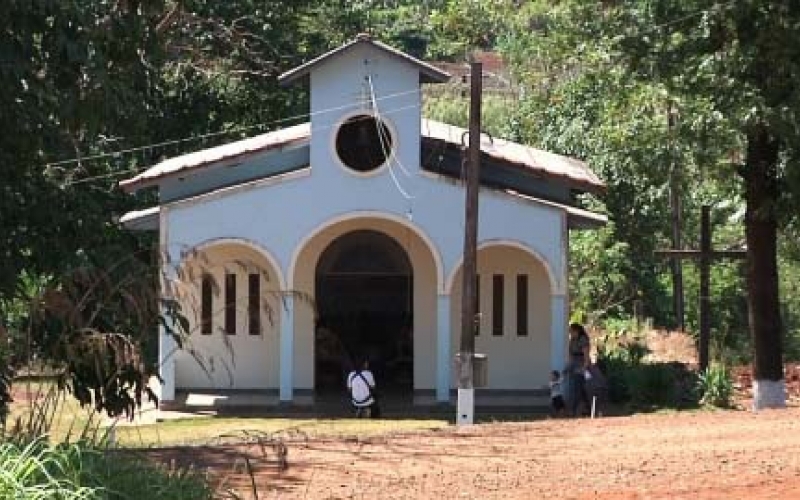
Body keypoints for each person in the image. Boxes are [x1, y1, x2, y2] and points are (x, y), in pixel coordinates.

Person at [567, 322, 591, 417]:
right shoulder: (572, 340)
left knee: (578, 388)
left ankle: (574, 409)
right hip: (574, 364)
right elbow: (570, 354)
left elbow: (586, 355)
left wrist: (584, 368)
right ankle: (586, 408)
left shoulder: (583, 339)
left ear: (576, 331)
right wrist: (569, 365)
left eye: (571, 331)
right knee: (577, 388)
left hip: (581, 364)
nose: (570, 333)